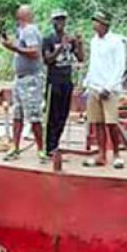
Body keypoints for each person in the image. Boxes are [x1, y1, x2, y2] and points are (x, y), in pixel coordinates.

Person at [0, 5, 46, 162]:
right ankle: (16, 147)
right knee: (17, 114)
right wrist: (13, 45)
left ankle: (41, 149)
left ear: (22, 17)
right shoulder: (22, 32)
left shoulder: (29, 30)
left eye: (18, 18)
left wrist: (13, 47)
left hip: (30, 79)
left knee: (34, 115)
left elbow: (34, 52)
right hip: (20, 79)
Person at [82, 11, 126, 169]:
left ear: (105, 25)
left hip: (109, 89)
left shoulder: (116, 42)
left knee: (111, 123)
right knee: (97, 122)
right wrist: (88, 81)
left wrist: (109, 86)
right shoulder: (94, 41)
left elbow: (120, 67)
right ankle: (101, 154)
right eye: (94, 21)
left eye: (97, 22)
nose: (94, 24)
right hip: (94, 86)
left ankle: (116, 154)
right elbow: (93, 63)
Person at [41, 9, 84, 156]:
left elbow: (80, 57)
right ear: (53, 22)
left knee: (63, 114)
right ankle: (48, 146)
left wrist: (78, 44)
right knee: (52, 114)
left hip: (67, 80)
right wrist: (60, 48)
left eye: (62, 20)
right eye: (57, 20)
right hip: (54, 81)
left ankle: (55, 144)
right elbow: (48, 60)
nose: (60, 23)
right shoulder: (48, 40)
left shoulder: (69, 39)